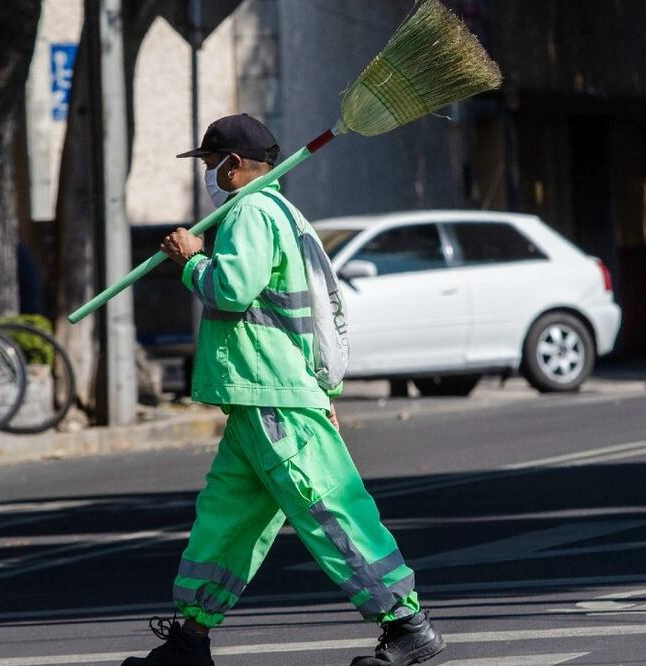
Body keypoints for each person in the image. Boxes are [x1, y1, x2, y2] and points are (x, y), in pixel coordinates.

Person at [122, 114, 445, 666]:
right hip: (260, 396)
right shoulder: (281, 211)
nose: (206, 172)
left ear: (233, 167)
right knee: (225, 520)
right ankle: (190, 638)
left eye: (208, 162)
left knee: (330, 508)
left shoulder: (250, 211)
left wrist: (190, 260)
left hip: (273, 395)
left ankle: (405, 624)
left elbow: (231, 290)